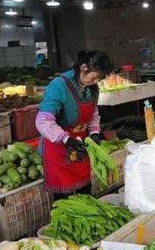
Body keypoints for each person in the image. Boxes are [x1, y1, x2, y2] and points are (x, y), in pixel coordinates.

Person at [35, 50, 113, 196]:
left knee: (85, 191)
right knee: (64, 199)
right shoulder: (59, 86)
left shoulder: (92, 88)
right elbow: (43, 121)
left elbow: (93, 113)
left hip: (79, 147)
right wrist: (65, 138)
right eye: (95, 77)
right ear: (84, 68)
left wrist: (94, 132)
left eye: (99, 79)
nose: (96, 82)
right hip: (58, 148)